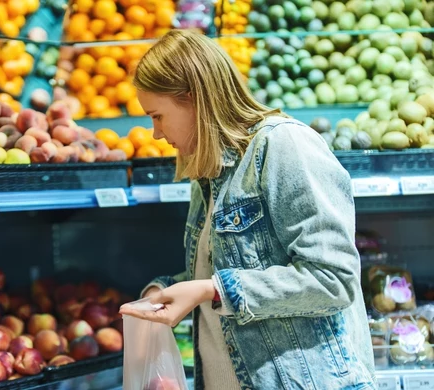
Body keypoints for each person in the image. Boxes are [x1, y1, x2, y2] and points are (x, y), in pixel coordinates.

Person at [119, 29, 376, 390]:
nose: (155, 133)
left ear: (193, 100)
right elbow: (230, 267)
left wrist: (213, 291)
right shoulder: (211, 170)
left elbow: (332, 279)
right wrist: (161, 294)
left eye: (158, 116)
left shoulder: (284, 145)